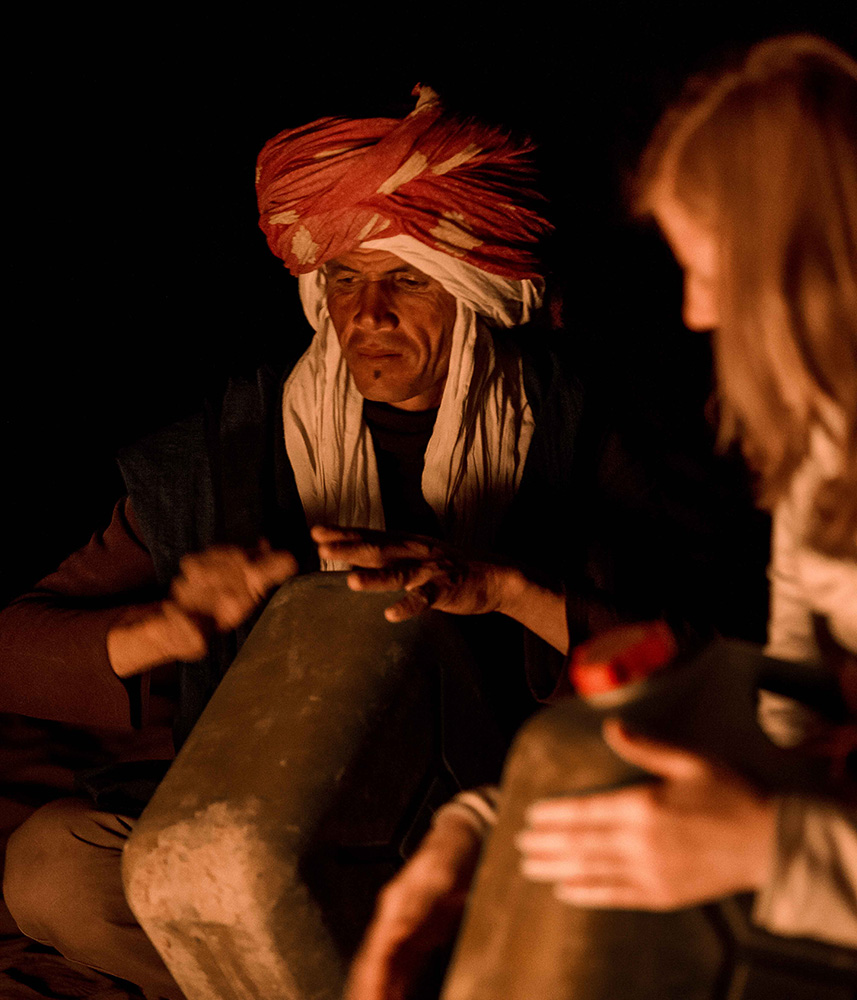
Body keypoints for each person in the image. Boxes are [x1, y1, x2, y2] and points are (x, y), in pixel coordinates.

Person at [0, 85, 587, 999]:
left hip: (490, 829)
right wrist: (168, 625)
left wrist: (502, 588)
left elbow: (704, 650)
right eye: (344, 280)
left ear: (475, 294)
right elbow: (10, 647)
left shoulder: (572, 438)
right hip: (259, 829)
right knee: (53, 868)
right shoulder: (226, 451)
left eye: (407, 279)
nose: (369, 312)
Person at [327, 33, 857, 998]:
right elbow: (782, 718)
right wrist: (482, 830)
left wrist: (772, 850)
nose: (697, 313)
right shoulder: (822, 473)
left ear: (818, 265)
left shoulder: (594, 427)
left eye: (714, 268)